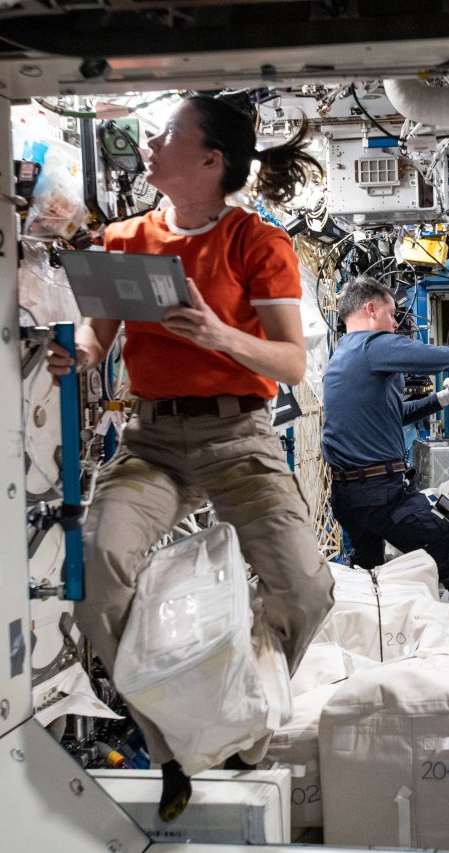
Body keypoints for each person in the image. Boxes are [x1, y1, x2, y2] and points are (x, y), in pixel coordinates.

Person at [47, 95, 334, 822]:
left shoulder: (256, 244)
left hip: (238, 436)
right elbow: (98, 337)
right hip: (152, 442)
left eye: (166, 133)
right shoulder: (125, 239)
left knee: (307, 589)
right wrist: (76, 353)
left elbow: (291, 363)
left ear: (210, 159)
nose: (148, 142)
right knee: (94, 574)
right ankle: (171, 740)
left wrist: (216, 333)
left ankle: (244, 704)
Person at [322, 276, 449, 648]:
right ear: (370, 309)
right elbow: (439, 356)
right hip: (383, 496)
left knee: (369, 582)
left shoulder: (342, 355)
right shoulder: (372, 345)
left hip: (350, 498)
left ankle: (371, 657)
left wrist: (444, 398)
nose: (395, 324)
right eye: (391, 315)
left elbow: (393, 415)